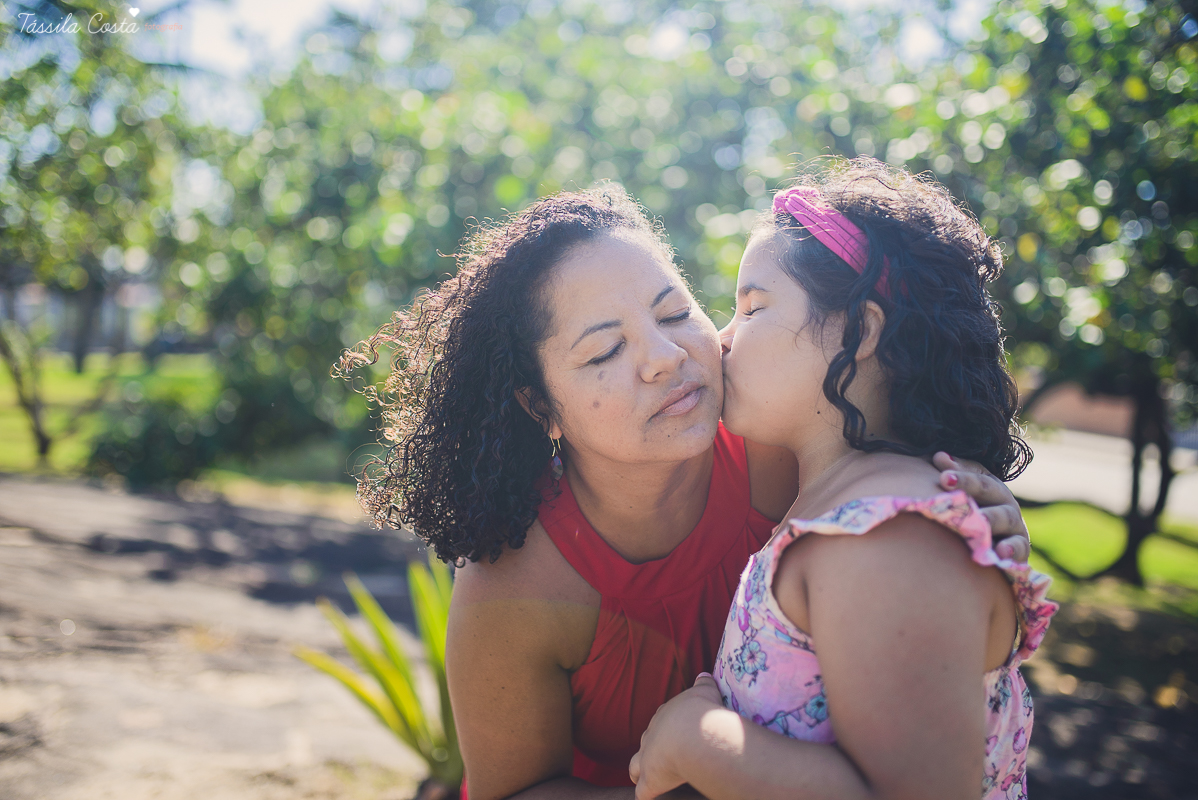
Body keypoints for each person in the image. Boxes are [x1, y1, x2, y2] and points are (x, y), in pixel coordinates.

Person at [337, 185, 1034, 800]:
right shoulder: (513, 583)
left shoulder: (795, 450)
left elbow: (919, 573)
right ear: (540, 407)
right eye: (605, 352)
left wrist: (980, 523)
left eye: (674, 313)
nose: (666, 358)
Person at [628, 159, 1057, 800]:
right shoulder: (841, 506)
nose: (721, 338)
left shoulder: (887, 536)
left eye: (753, 307)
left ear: (861, 330)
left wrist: (699, 743)